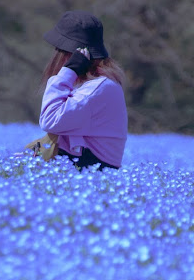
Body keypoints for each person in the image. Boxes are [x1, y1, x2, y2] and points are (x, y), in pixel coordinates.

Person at [24, 10, 128, 171]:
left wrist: (67, 72)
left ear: (69, 54)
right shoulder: (94, 83)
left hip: (93, 168)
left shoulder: (98, 88)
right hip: (86, 163)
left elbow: (50, 120)